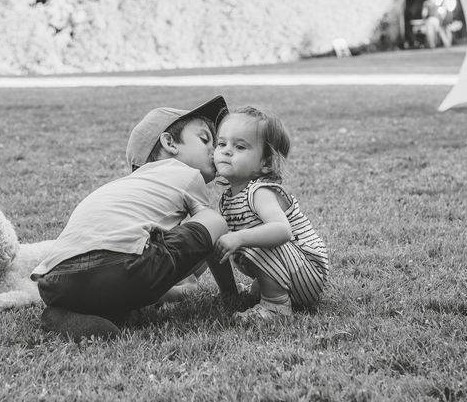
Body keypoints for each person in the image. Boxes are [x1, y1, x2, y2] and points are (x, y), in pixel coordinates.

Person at [32, 96, 238, 340]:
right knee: (214, 221)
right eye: (205, 139)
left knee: (147, 251)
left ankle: (67, 314)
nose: (214, 150)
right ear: (169, 142)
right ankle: (134, 302)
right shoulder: (185, 174)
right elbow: (213, 236)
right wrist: (231, 294)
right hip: (119, 269)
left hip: (56, 282)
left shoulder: (122, 187)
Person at [213, 106, 329, 321]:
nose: (226, 151)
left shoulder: (260, 192)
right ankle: (233, 292)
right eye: (221, 144)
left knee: (255, 238)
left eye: (239, 146)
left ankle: (276, 306)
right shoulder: (229, 198)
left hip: (307, 271)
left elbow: (282, 230)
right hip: (291, 271)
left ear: (265, 163)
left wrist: (239, 237)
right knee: (214, 235)